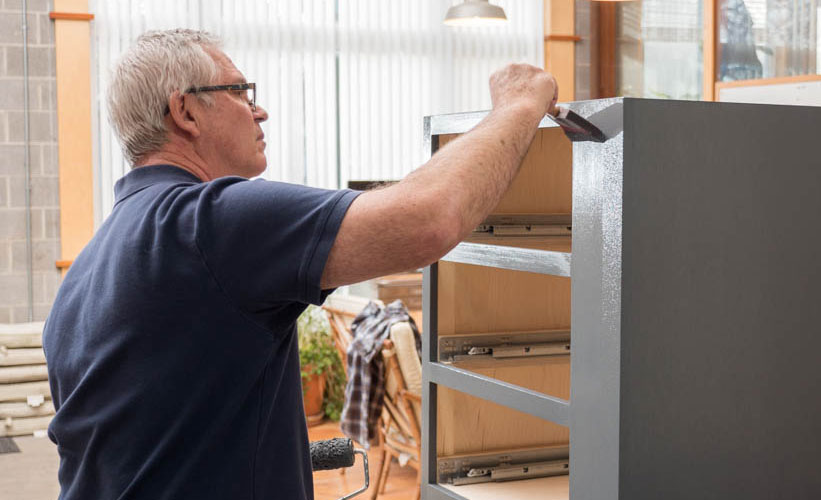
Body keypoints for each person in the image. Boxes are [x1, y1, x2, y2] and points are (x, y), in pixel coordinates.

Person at [42, 28, 557, 500]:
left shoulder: (88, 270)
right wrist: (518, 103)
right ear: (186, 112)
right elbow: (429, 220)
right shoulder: (209, 224)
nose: (259, 111)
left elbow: (158, 440)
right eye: (241, 93)